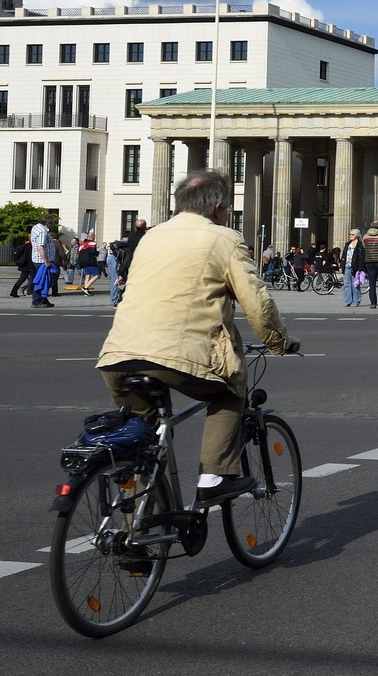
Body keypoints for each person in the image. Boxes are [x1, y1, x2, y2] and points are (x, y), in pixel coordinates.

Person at [96, 169, 299, 507]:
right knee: (230, 390)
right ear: (218, 208)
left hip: (117, 355)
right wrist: (280, 341)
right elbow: (256, 302)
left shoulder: (151, 237)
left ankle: (134, 528)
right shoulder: (224, 239)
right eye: (228, 210)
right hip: (178, 355)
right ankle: (214, 478)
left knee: (143, 441)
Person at [30, 212, 58, 308]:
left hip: (38, 259)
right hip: (42, 260)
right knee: (43, 280)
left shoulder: (36, 227)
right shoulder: (42, 231)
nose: (51, 226)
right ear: (47, 223)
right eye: (51, 224)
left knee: (45, 280)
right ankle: (36, 301)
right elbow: (40, 247)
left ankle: (43, 299)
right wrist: (46, 261)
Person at [340, 229, 364, 307]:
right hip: (346, 266)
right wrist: (341, 266)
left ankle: (356, 301)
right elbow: (343, 256)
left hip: (355, 267)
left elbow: (361, 257)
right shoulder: (347, 244)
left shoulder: (360, 245)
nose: (351, 236)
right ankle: (347, 301)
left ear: (357, 235)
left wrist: (360, 268)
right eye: (350, 234)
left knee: (355, 284)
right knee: (347, 284)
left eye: (352, 234)